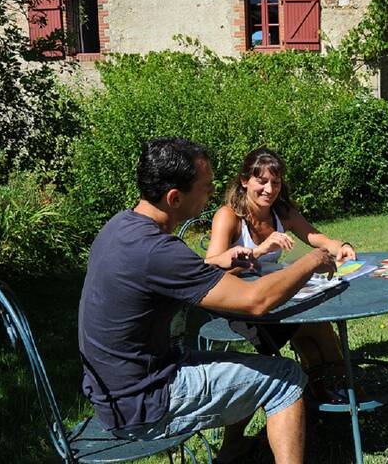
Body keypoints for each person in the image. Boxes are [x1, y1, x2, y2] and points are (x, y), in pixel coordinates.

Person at [78, 137, 335, 464]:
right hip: (146, 402)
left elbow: (171, 274)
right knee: (285, 378)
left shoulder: (120, 226)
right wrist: (311, 261)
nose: (212, 192)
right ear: (174, 198)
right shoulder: (158, 251)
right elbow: (257, 301)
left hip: (115, 390)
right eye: (206, 186)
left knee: (248, 368)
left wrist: (218, 262)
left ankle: (234, 450)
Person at [205, 147, 353, 398]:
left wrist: (341, 246)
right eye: (261, 182)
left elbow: (314, 236)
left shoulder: (281, 212)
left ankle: (325, 393)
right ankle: (344, 390)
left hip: (276, 297)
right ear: (244, 181)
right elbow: (210, 267)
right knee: (316, 327)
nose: (269, 190)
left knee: (314, 327)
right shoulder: (229, 216)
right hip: (241, 306)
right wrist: (260, 251)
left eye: (276, 182)